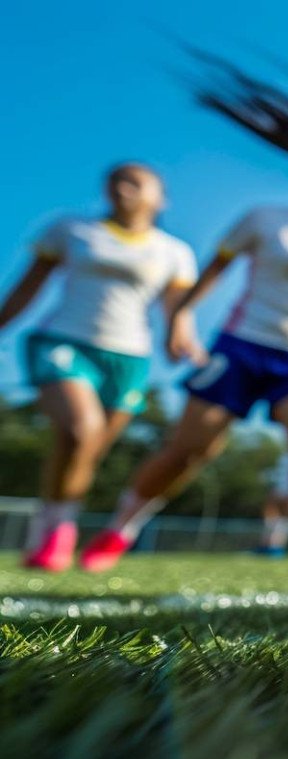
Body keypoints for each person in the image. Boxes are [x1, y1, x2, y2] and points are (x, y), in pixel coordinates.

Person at [79, 51, 288, 575]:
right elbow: (212, 272)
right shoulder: (263, 219)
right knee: (189, 451)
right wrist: (181, 319)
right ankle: (119, 529)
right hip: (241, 347)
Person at [0, 164, 197, 570]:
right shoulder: (70, 229)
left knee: (86, 452)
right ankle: (56, 538)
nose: (120, 188)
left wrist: (183, 338)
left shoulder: (173, 251)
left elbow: (178, 309)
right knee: (78, 430)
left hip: (128, 358)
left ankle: (49, 524)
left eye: (134, 182)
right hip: (63, 341)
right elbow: (28, 285)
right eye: (114, 182)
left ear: (160, 198)